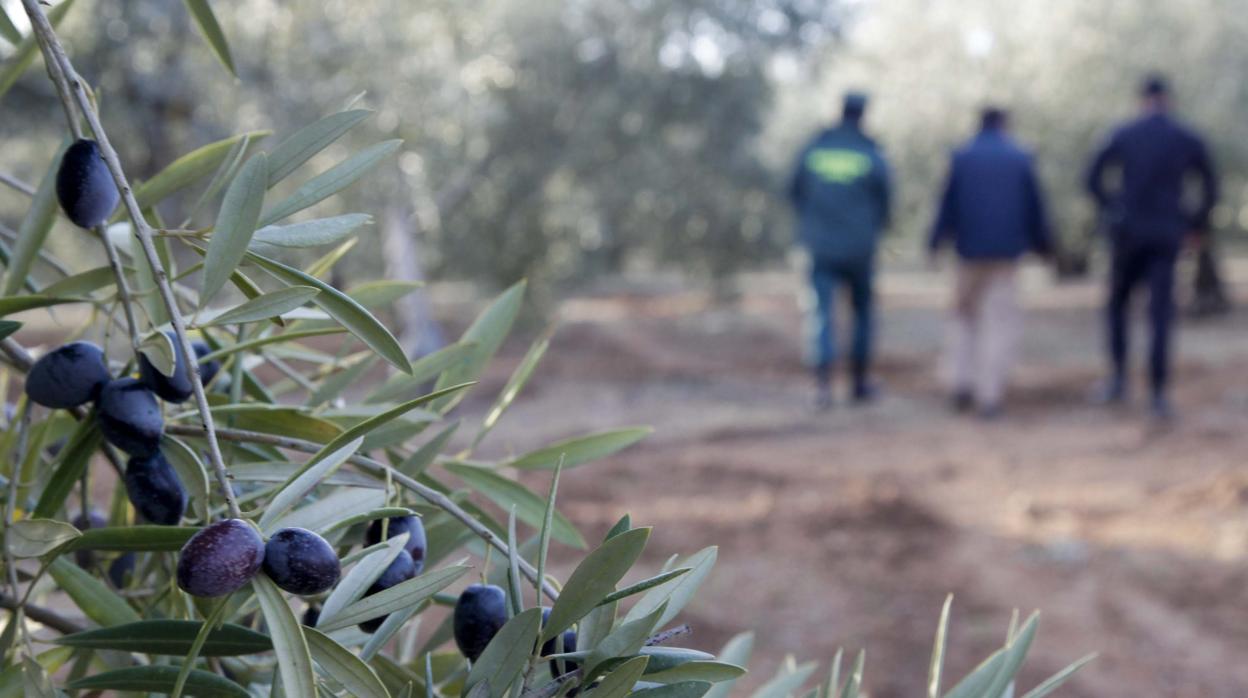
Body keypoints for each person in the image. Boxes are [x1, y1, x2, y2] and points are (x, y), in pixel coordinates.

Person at [1085, 74, 1218, 420]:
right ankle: (1158, 394)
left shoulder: (1123, 133)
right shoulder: (1186, 137)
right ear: (1168, 99)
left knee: (1118, 307)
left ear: (1142, 99)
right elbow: (1210, 185)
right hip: (1167, 234)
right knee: (1160, 314)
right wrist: (1195, 223)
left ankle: (1117, 380)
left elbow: (1091, 178)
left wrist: (1112, 209)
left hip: (1127, 234)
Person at [930, 107, 1051, 419]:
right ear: (1004, 125)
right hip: (1005, 255)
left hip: (968, 253)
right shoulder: (1020, 158)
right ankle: (990, 395)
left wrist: (935, 242)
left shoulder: (961, 157)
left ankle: (960, 383)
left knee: (963, 318)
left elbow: (946, 205)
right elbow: (1035, 207)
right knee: (998, 321)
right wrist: (1045, 245)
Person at [788, 92, 892, 409]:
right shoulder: (870, 151)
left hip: (820, 246)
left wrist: (812, 224)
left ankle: (822, 387)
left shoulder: (816, 147)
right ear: (863, 114)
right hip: (860, 248)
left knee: (820, 314)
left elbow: (793, 190)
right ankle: (858, 384)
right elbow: (886, 198)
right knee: (861, 314)